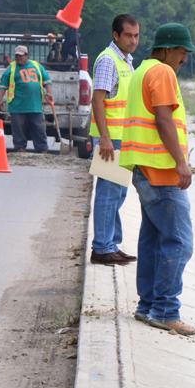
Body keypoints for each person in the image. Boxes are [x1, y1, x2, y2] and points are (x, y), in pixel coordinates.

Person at [119, 23, 195, 336]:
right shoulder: (163, 73)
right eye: (182, 52)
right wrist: (181, 162)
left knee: (153, 239)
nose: (184, 58)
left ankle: (147, 305)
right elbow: (163, 118)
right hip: (162, 171)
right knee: (179, 242)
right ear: (167, 49)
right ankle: (166, 311)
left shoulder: (142, 70)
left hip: (143, 169)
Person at [89, 14, 140, 266]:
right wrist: (106, 138)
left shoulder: (126, 61)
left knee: (117, 194)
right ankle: (101, 247)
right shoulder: (108, 61)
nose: (133, 40)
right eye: (128, 35)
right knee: (108, 194)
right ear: (115, 35)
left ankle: (111, 243)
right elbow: (98, 100)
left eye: (136, 35)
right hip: (111, 140)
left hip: (122, 138)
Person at [0, 45, 53, 153]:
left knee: (39, 128)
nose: (18, 58)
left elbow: (47, 81)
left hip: (35, 105)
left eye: (21, 56)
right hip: (17, 105)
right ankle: (20, 148)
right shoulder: (11, 68)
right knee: (18, 129)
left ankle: (42, 149)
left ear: (27, 55)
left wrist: (49, 93)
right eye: (16, 56)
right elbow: (3, 85)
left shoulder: (36, 66)